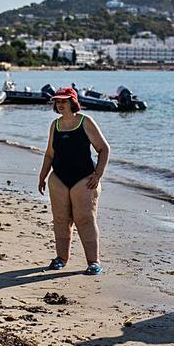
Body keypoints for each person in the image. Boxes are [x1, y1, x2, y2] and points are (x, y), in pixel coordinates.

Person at [37, 88, 110, 276]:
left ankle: (94, 262)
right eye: (57, 101)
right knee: (61, 220)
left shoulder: (85, 122)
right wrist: (42, 176)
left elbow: (104, 149)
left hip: (84, 179)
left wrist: (98, 175)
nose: (60, 104)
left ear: (73, 102)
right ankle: (61, 258)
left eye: (64, 101)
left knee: (85, 219)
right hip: (59, 179)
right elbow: (50, 154)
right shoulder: (55, 125)